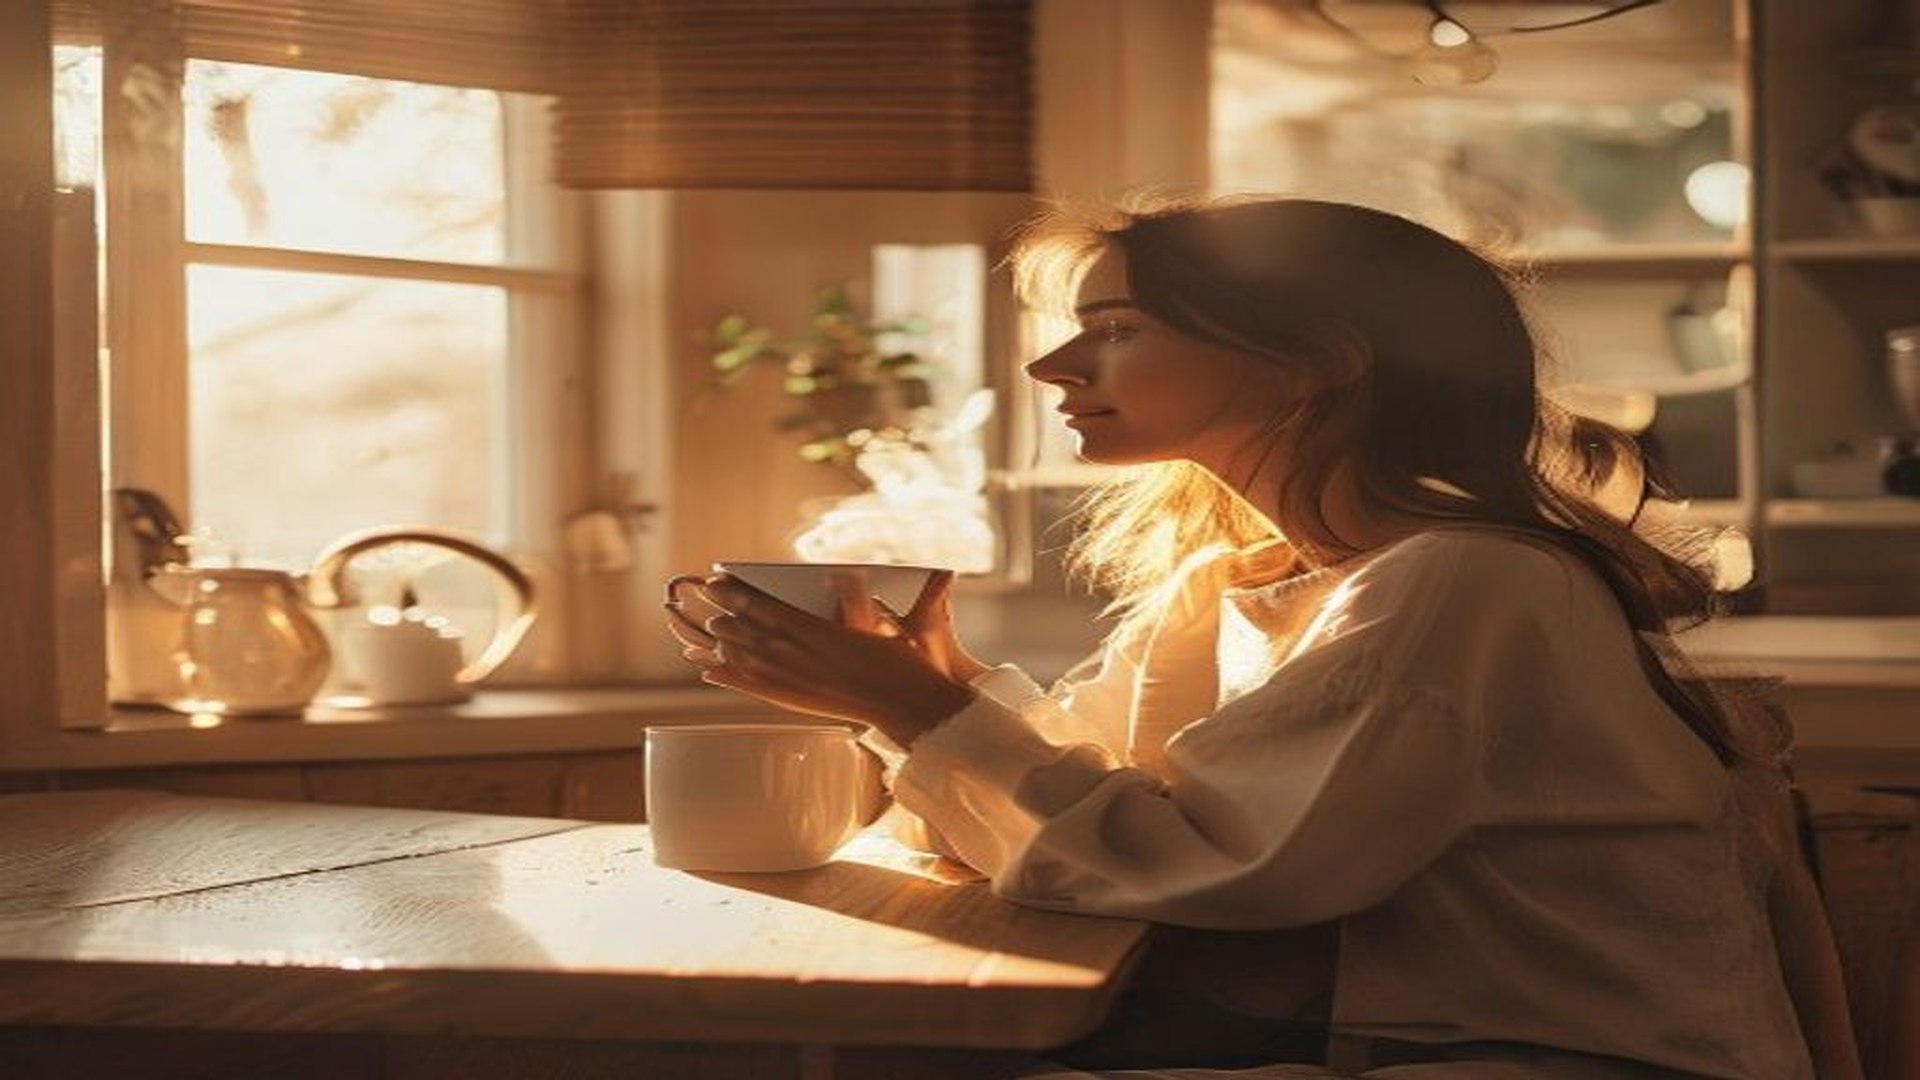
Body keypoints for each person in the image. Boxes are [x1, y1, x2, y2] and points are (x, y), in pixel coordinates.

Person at [664, 196, 1860, 1079]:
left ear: (1318, 364)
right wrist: (931, 687)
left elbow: (1234, 870)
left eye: (1118, 327)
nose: (1053, 363)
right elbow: (1087, 831)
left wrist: (923, 715)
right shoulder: (1241, 581)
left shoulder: (1465, 582)